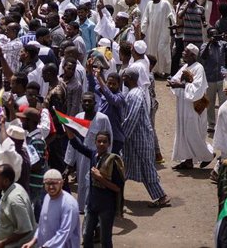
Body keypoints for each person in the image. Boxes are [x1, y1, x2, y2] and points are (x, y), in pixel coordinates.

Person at [121, 66, 171, 207]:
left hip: (140, 138)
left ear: (130, 79)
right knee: (125, 167)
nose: (122, 80)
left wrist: (123, 136)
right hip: (135, 139)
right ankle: (114, 195)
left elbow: (132, 118)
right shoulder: (135, 92)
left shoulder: (135, 95)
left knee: (147, 169)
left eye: (124, 77)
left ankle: (162, 196)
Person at [66, 129, 124, 248]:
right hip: (92, 205)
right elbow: (77, 145)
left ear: (109, 144)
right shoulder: (93, 155)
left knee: (105, 239)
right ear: (95, 142)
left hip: (107, 207)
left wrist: (100, 178)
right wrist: (66, 126)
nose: (101, 144)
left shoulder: (112, 161)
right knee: (87, 236)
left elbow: (117, 188)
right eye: (99, 141)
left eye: (104, 142)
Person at [62, 92, 112, 211]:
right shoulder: (78, 117)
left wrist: (106, 160)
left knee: (95, 184)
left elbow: (109, 140)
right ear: (81, 103)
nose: (87, 103)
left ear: (95, 103)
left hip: (97, 158)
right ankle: (83, 209)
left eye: (90, 101)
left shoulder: (102, 119)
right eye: (84, 101)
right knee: (83, 184)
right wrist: (69, 165)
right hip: (81, 158)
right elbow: (73, 141)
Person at [169, 43, 214, 170]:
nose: (183, 53)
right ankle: (188, 160)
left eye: (186, 52)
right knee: (183, 132)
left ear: (193, 55)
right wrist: (173, 83)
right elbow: (176, 79)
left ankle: (209, 154)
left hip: (193, 107)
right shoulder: (185, 66)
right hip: (183, 105)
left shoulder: (198, 68)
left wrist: (181, 85)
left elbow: (198, 89)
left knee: (192, 133)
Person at [21, 169, 80, 248]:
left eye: (54, 183)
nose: (51, 187)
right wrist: (33, 241)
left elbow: (64, 233)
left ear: (61, 183)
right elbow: (42, 225)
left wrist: (45, 246)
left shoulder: (69, 204)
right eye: (48, 183)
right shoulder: (47, 197)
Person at [0, 163, 36, 248]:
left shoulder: (14, 201)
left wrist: (3, 242)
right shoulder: (12, 187)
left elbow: (25, 229)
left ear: (6, 181)